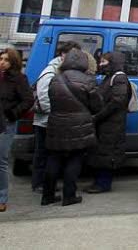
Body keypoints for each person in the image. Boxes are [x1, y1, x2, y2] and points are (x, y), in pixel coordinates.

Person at [43, 48, 102, 206]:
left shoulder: (56, 78)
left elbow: (50, 99)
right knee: (74, 160)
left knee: (53, 159)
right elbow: (97, 105)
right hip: (80, 125)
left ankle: (47, 196)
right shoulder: (88, 80)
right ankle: (69, 196)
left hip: (56, 122)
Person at [31, 40, 76, 192]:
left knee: (52, 154)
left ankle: (47, 184)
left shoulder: (62, 70)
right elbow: (44, 97)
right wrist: (56, 114)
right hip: (45, 121)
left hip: (55, 120)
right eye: (72, 54)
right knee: (42, 153)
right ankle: (38, 184)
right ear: (63, 54)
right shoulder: (50, 71)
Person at [86, 52, 130, 194]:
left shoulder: (119, 77)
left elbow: (117, 101)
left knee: (108, 153)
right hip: (106, 122)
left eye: (104, 62)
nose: (101, 64)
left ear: (113, 62)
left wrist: (98, 115)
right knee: (101, 153)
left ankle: (103, 183)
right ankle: (99, 182)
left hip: (112, 123)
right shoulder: (110, 77)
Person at [0, 48, 34, 212]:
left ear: (13, 62)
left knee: (1, 161)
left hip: (6, 123)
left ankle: (2, 197)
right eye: (1, 59)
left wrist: (12, 114)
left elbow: (28, 100)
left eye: (6, 59)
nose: (2, 62)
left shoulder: (19, 79)